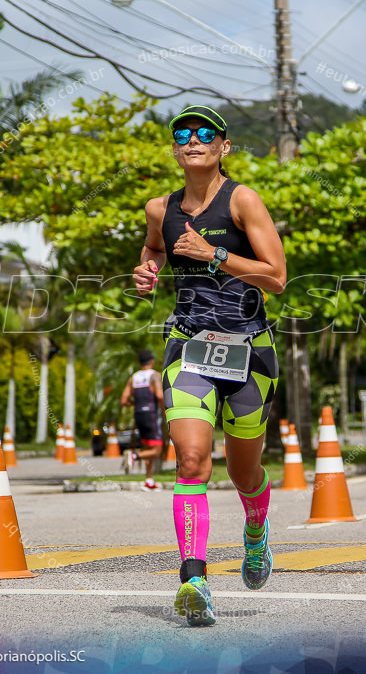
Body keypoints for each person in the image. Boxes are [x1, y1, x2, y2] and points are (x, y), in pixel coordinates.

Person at [132, 105, 286, 627]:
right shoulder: (160, 208)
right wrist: (148, 272)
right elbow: (154, 250)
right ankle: (194, 580)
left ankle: (256, 531)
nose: (193, 140)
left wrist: (213, 256)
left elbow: (277, 277)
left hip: (249, 351)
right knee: (192, 460)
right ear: (175, 149)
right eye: (183, 134)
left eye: (205, 134)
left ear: (223, 146)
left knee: (245, 473)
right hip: (189, 345)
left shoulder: (243, 200)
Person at [120, 349, 164, 490]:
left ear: (140, 363)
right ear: (152, 361)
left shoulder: (134, 378)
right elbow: (160, 396)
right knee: (157, 450)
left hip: (138, 414)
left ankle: (149, 480)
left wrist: (136, 404)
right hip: (151, 414)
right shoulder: (155, 376)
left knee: (148, 447)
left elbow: (124, 400)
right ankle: (134, 457)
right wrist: (164, 410)